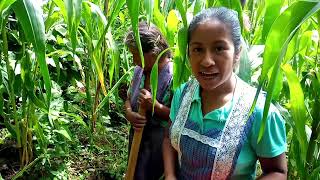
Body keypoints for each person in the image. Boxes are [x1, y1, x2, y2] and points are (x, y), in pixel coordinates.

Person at [163, 7, 287, 180]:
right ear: (188, 53)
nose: (206, 61)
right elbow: (169, 138)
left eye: (219, 48)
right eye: (198, 49)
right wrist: (170, 175)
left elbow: (277, 172)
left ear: (237, 53)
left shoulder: (258, 111)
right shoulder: (183, 94)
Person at [124, 21, 173, 180]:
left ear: (153, 52)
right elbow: (128, 98)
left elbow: (178, 116)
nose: (133, 61)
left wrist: (155, 105)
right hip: (137, 141)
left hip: (158, 147)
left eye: (136, 55)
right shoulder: (140, 70)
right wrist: (129, 113)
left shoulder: (172, 76)